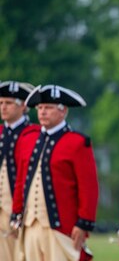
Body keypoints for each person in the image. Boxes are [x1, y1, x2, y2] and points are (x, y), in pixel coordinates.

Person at [11, 84, 99, 261]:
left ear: (63, 111)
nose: (43, 112)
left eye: (49, 108)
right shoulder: (28, 139)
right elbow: (21, 180)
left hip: (62, 226)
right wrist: (16, 213)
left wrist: (83, 223)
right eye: (40, 108)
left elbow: (88, 187)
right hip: (30, 225)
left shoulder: (77, 143)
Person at [0, 81, 39, 261]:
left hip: (24, 210)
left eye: (8, 103)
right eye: (1, 103)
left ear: (24, 105)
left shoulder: (35, 134)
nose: (3, 107)